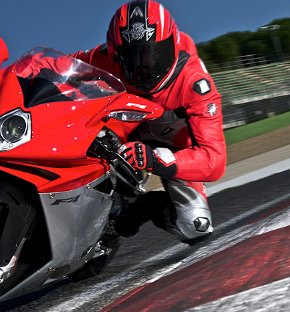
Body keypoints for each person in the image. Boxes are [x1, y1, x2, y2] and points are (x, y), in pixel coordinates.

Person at [71, 0, 226, 245]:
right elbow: (58, 67)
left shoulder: (195, 83)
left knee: (195, 226)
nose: (143, 67)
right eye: (130, 58)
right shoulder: (101, 56)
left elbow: (214, 160)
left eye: (153, 54)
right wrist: (9, 78)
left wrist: (158, 159)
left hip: (171, 144)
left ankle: (144, 208)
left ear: (172, 45)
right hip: (120, 124)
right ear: (114, 51)